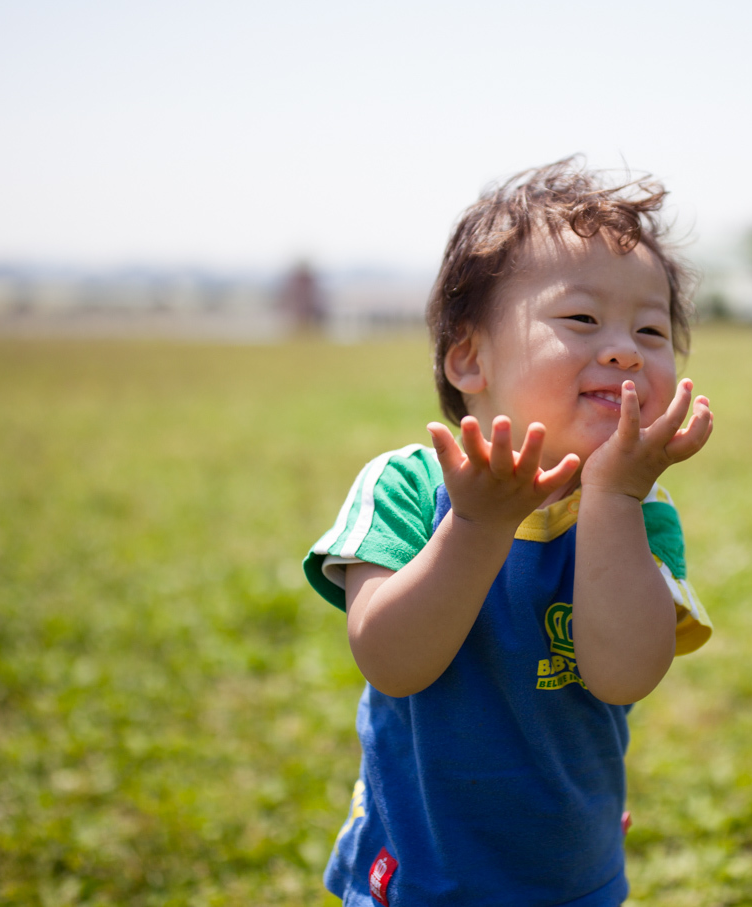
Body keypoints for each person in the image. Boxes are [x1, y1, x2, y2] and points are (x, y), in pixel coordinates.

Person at [302, 158, 715, 906]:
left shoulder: (640, 511)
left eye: (650, 329)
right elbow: (392, 661)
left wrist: (616, 497)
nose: (624, 348)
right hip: (418, 880)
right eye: (583, 319)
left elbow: (625, 674)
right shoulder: (406, 488)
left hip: (574, 881)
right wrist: (477, 522)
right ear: (470, 357)